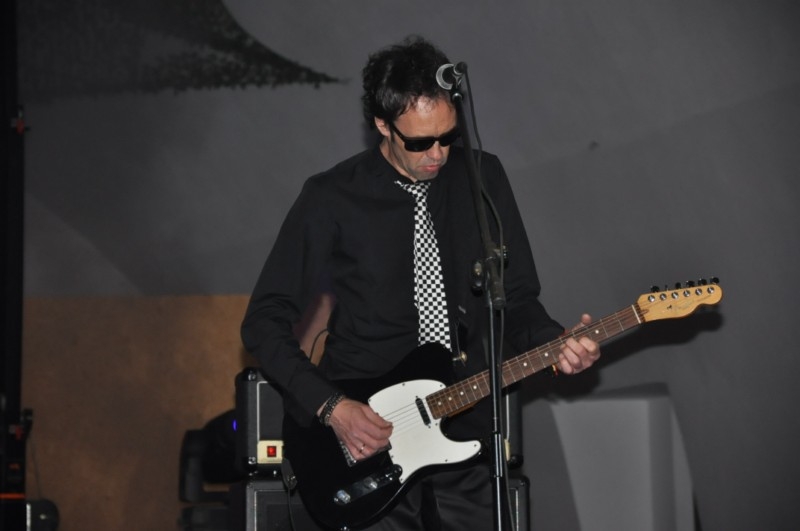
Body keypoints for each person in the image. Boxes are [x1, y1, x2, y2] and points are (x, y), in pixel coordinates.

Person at [241, 36, 601, 531]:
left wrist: (554, 342)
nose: (437, 154)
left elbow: (516, 299)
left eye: (448, 137)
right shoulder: (331, 196)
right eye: (419, 142)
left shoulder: (483, 178)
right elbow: (263, 321)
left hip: (468, 425)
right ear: (382, 125)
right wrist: (332, 408)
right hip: (368, 434)